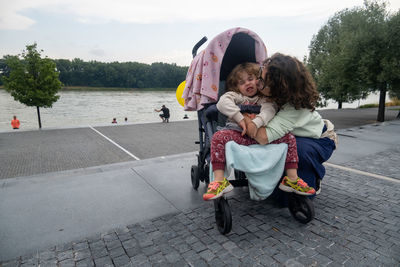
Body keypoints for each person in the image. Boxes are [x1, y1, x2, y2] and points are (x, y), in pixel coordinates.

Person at [203, 62, 315, 201]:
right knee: (218, 137)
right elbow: (222, 103)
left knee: (290, 138)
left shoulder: (264, 99)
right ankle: (219, 181)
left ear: (258, 80)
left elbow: (269, 110)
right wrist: (239, 118)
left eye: (250, 79)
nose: (247, 84)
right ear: (237, 87)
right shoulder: (237, 96)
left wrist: (256, 123)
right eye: (242, 82)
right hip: (239, 133)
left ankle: (292, 178)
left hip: (257, 134)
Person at [251, 53, 336, 196]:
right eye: (260, 74)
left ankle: (314, 176)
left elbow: (262, 137)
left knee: (294, 151)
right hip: (298, 136)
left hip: (319, 139)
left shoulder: (295, 108)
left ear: (279, 87)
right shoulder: (273, 96)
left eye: (262, 81)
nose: (256, 83)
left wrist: (244, 120)